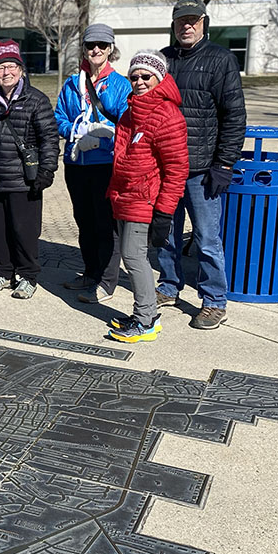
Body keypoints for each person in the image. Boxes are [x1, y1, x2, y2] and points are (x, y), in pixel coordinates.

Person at [157, 0, 246, 330]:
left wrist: (224, 163)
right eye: (181, 21)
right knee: (165, 234)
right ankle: (168, 285)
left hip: (201, 168)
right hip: (166, 168)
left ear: (204, 22)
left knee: (208, 239)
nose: (187, 26)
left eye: (193, 20)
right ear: (174, 24)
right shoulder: (162, 60)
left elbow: (234, 116)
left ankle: (213, 301)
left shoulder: (221, 60)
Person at [107, 51, 189, 342]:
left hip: (145, 199)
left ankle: (146, 321)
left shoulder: (168, 115)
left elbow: (177, 169)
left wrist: (165, 213)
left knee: (133, 256)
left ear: (160, 78)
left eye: (146, 76)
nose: (139, 82)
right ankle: (144, 313)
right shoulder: (130, 111)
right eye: (134, 77)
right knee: (132, 256)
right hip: (124, 196)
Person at [0, 39, 59, 299]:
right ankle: (3, 270)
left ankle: (27, 275)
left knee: (24, 230)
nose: (6, 72)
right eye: (0, 67)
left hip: (24, 179)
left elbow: (49, 139)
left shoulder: (36, 100)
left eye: (11, 66)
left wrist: (47, 171)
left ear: (21, 70)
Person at [54, 23, 130, 304]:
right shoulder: (72, 84)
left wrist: (101, 136)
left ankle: (107, 281)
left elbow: (126, 123)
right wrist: (74, 131)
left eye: (101, 45)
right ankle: (89, 272)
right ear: (83, 49)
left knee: (105, 223)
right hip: (76, 163)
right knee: (83, 221)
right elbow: (58, 116)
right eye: (90, 45)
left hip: (105, 164)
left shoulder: (121, 85)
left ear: (110, 48)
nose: (95, 50)